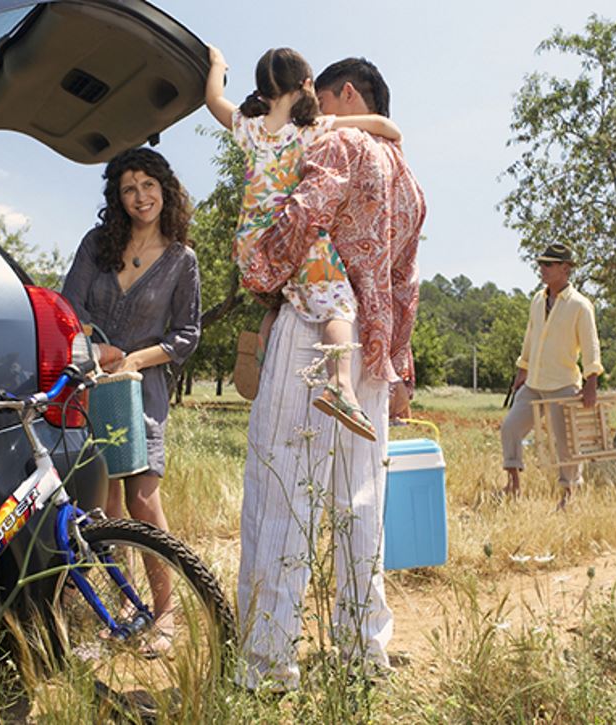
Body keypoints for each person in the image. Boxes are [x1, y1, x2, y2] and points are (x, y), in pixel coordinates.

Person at [232, 57, 426, 691]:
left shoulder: (338, 140)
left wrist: (257, 268)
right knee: (360, 499)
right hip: (369, 349)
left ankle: (267, 662)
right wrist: (394, 359)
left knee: (282, 486)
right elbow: (407, 283)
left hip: (312, 331)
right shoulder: (408, 177)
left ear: (344, 93)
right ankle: (361, 650)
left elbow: (301, 218)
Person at [205, 46, 403, 440]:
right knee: (339, 307)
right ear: (307, 85)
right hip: (293, 237)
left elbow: (212, 98)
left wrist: (217, 65)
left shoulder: (247, 126)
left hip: (251, 247)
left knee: (282, 300)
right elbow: (383, 126)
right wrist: (392, 134)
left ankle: (262, 358)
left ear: (262, 91)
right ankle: (341, 386)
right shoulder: (310, 130)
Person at [61, 148, 201, 633]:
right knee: (106, 504)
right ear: (117, 198)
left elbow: (186, 334)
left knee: (141, 496)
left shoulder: (182, 260)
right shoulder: (98, 244)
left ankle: (165, 610)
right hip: (89, 382)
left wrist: (136, 358)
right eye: (128, 188)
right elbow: (68, 306)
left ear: (165, 188)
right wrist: (94, 347)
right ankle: (127, 599)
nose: (140, 196)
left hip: (141, 386)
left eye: (148, 185)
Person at [500, 242, 603, 510]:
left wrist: (591, 381)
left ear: (565, 269)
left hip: (563, 383)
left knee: (566, 442)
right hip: (534, 382)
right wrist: (522, 370)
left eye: (548, 264)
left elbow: (591, 346)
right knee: (510, 427)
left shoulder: (581, 306)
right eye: (540, 264)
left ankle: (568, 496)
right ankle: (513, 485)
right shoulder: (537, 299)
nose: (542, 269)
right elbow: (530, 337)